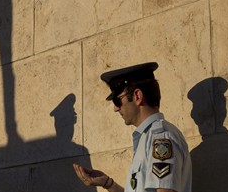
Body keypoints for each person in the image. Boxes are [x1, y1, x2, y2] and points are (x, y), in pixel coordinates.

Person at [73, 62, 192, 192]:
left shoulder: (161, 138)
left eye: (117, 101)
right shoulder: (147, 137)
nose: (115, 108)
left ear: (137, 96)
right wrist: (108, 183)